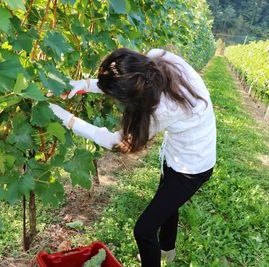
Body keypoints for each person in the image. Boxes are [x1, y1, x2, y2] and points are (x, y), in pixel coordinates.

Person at [49, 48, 216, 267]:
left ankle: (158, 257)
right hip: (177, 154)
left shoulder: (163, 109)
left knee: (144, 230)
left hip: (193, 168)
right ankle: (167, 251)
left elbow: (116, 142)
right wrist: (84, 84)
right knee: (168, 205)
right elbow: (127, 79)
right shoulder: (158, 58)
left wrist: (68, 120)